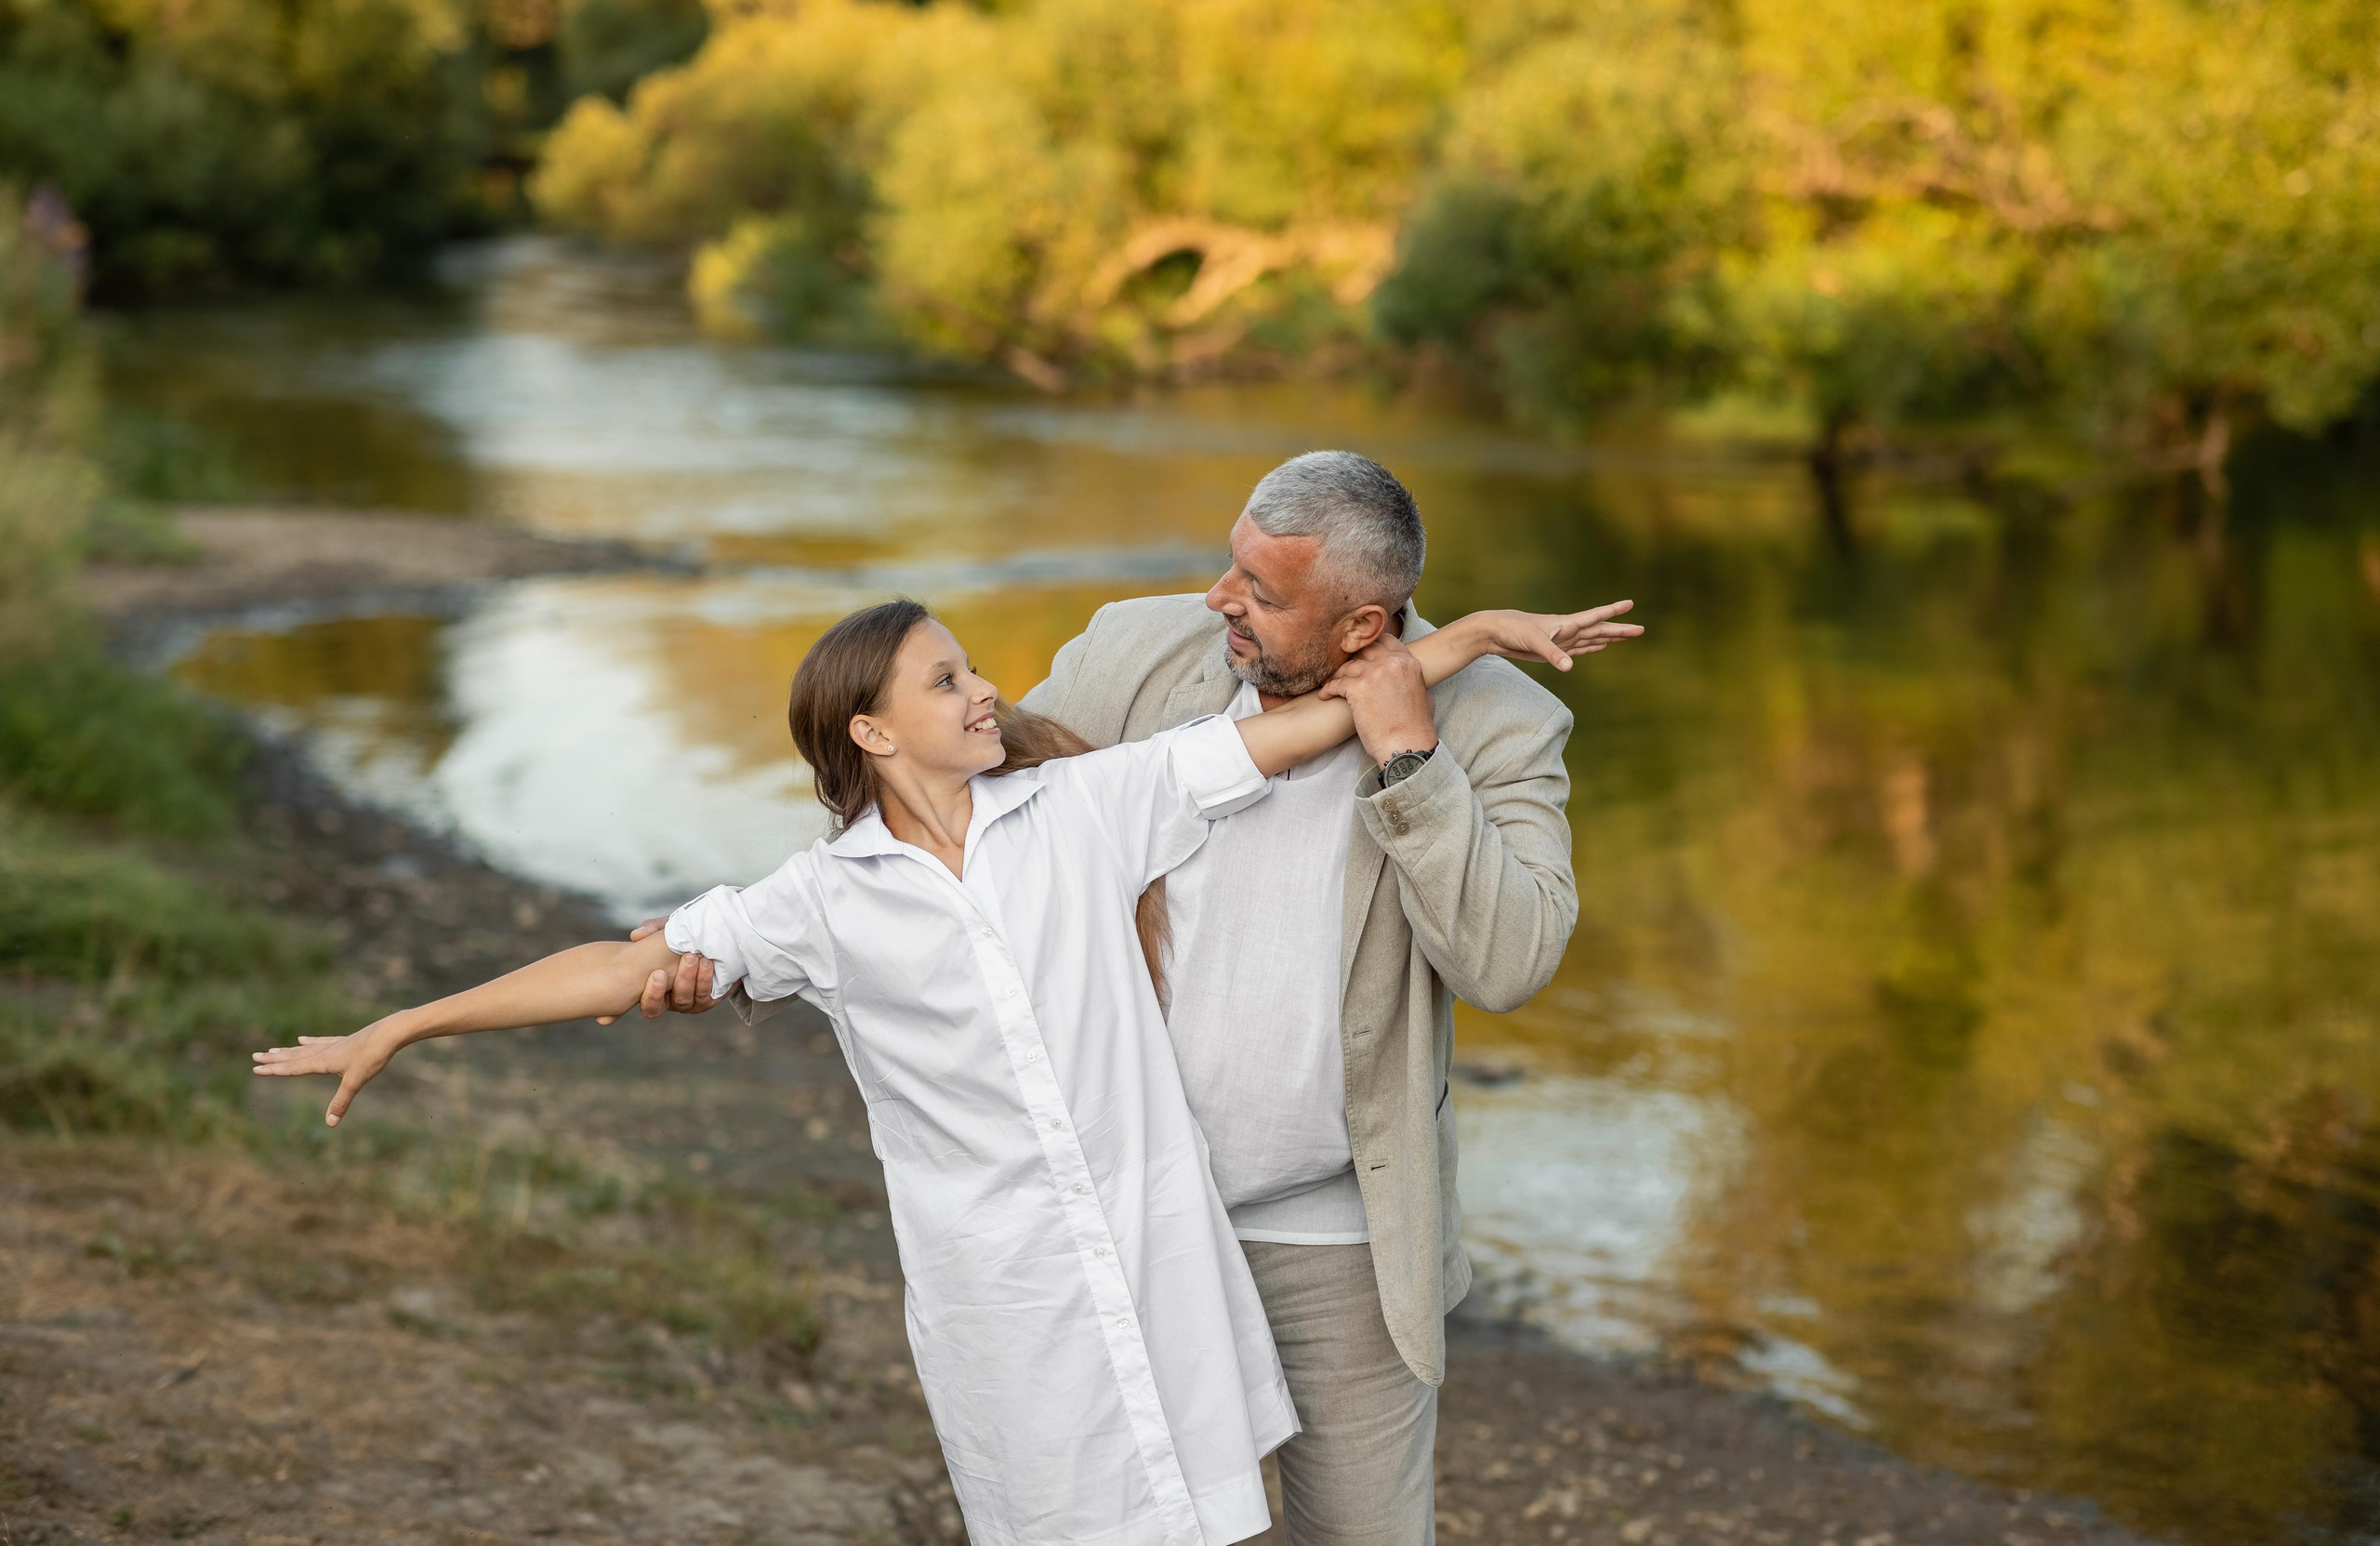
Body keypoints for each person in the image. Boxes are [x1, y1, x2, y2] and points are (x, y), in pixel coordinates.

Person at [252, 588, 1638, 1546]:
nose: (990, 692)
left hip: (1163, 1277)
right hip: (1012, 1312)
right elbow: (620, 965)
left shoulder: (1088, 809)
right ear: (870, 730)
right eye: (950, 680)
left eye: (974, 669)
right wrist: (404, 1024)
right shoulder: (819, 901)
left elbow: (1309, 724)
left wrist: (1467, 640)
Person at [640, 452, 1626, 1545]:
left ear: (1362, 627)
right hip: (1120, 1224)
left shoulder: (1500, 722)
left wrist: (1407, 758)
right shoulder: (1134, 653)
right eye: (1230, 566)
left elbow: (1511, 960)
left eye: (1262, 592)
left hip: (1334, 1237)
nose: (1221, 601)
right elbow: (934, 809)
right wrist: (723, 946)